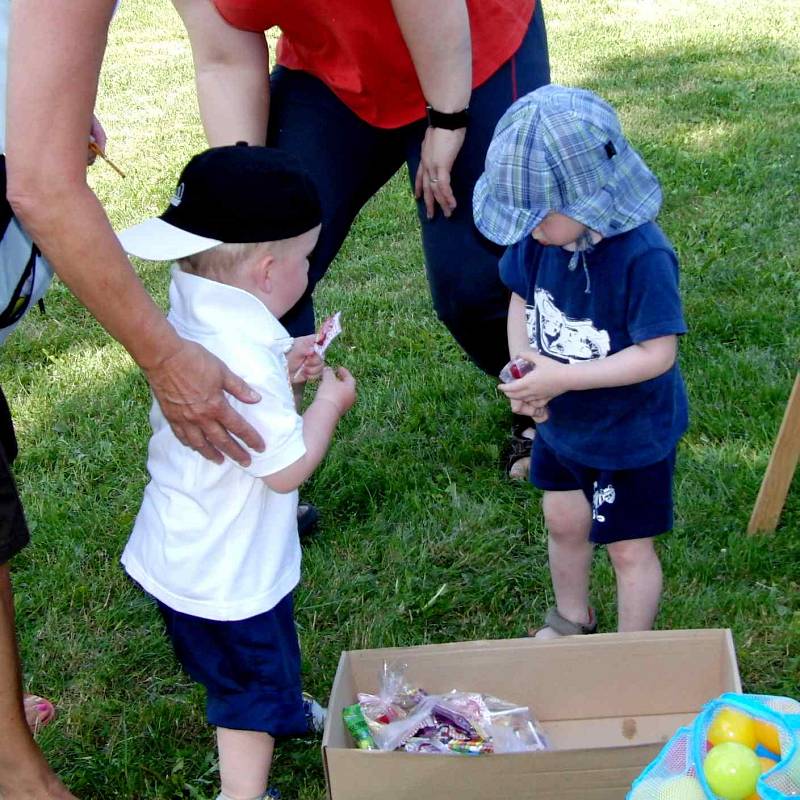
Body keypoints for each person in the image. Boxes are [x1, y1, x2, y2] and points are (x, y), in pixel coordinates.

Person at [172, 0, 551, 477]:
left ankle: (546, 403)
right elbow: (223, 58)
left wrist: (450, 118)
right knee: (254, 254)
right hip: (335, 66)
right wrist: (246, 191)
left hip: (469, 39)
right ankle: (265, 448)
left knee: (477, 282)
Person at [117, 143, 356, 800]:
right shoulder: (245, 356)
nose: (309, 270)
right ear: (268, 270)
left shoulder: (194, 312)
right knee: (243, 691)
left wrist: (285, 366)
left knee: (248, 669)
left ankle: (278, 702)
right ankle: (242, 792)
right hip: (229, 572)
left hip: (179, 550)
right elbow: (286, 469)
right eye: (306, 259)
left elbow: (241, 388)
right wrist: (329, 404)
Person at [473, 85, 689, 638]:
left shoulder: (645, 258)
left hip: (627, 435)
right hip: (563, 427)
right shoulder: (537, 240)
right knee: (563, 521)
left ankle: (627, 651)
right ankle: (572, 619)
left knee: (625, 547)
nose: (529, 229)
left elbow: (657, 354)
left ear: (590, 199)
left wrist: (563, 377)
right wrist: (523, 365)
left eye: (540, 217)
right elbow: (521, 299)